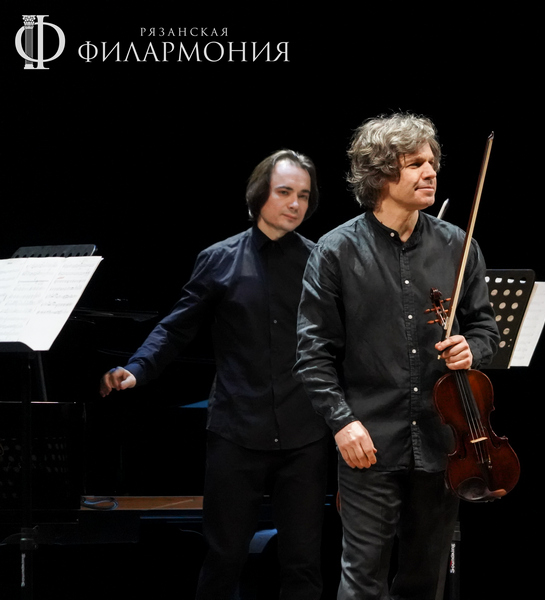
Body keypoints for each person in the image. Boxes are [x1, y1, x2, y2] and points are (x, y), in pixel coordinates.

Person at [99, 150, 332, 600]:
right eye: (284, 192)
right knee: (224, 557)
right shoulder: (219, 258)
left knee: (303, 563)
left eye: (304, 195)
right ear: (259, 194)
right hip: (236, 430)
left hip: (303, 432)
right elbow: (176, 327)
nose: (295, 204)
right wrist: (137, 368)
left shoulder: (320, 260)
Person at [294, 113, 499, 600]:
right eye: (415, 164)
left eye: (432, 162)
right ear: (381, 174)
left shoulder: (459, 246)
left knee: (424, 583)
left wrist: (472, 348)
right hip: (369, 442)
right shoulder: (336, 251)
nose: (431, 172)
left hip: (443, 440)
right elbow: (312, 353)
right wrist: (342, 423)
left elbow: (485, 330)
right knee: (362, 582)